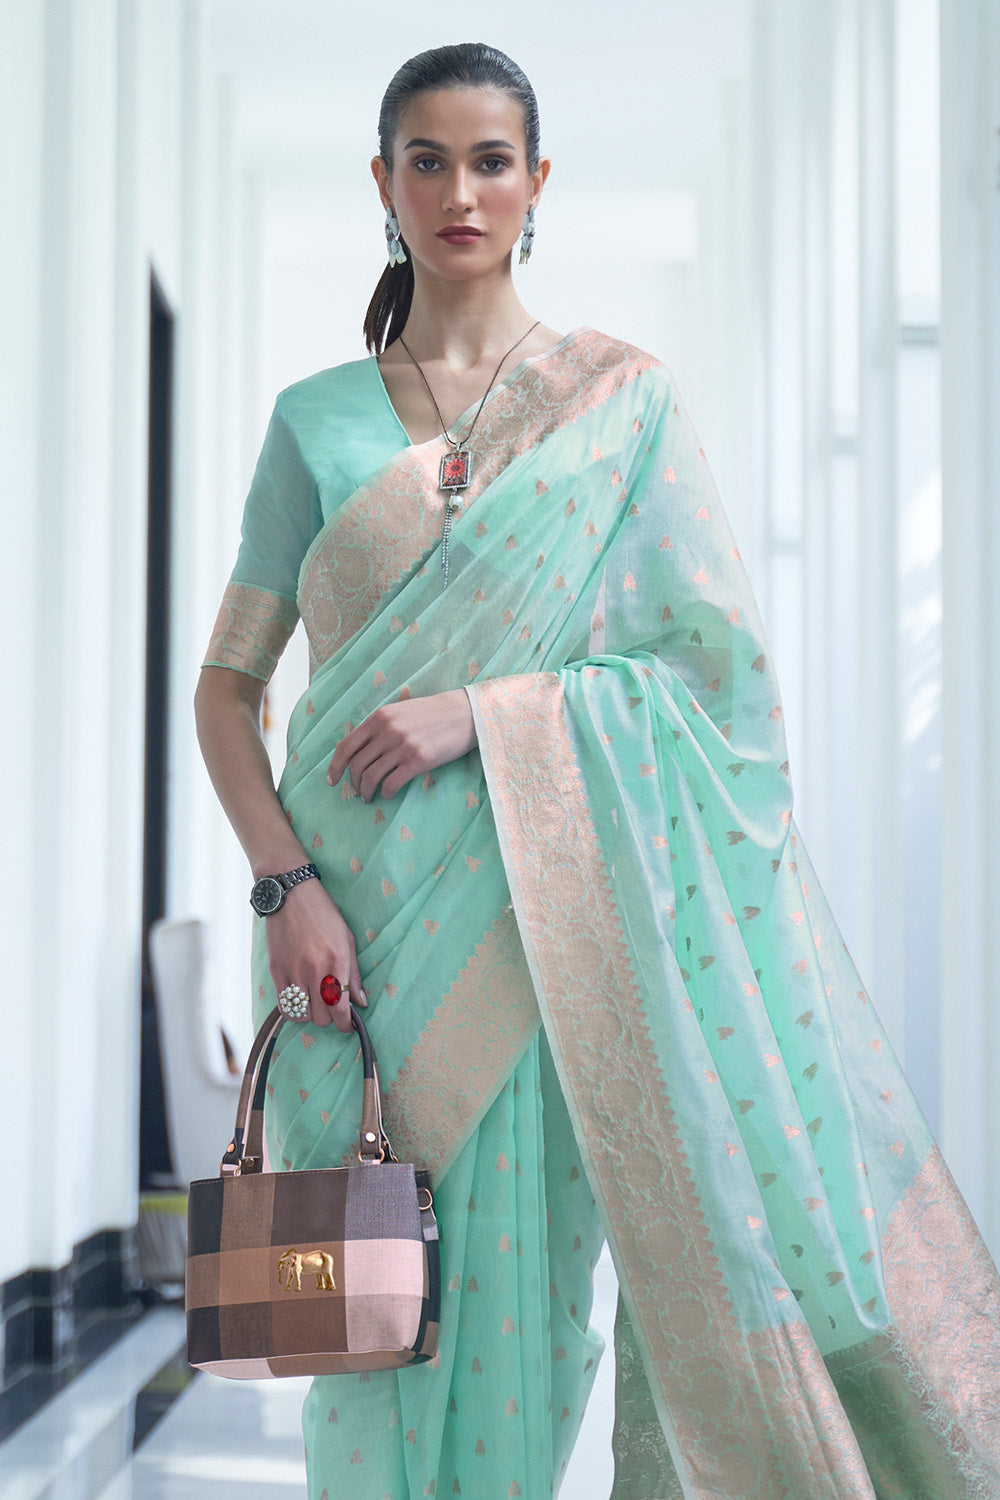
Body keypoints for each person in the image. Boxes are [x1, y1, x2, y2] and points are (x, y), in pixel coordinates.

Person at [194, 41, 1000, 1500]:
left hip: (542, 936)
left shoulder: (624, 408)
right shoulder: (314, 421)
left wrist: (486, 714)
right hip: (348, 944)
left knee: (525, 1323)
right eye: (427, 161)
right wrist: (286, 890)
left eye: (490, 160)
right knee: (357, 1332)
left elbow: (718, 691)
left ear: (536, 181)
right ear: (382, 183)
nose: (460, 191)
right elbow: (225, 692)